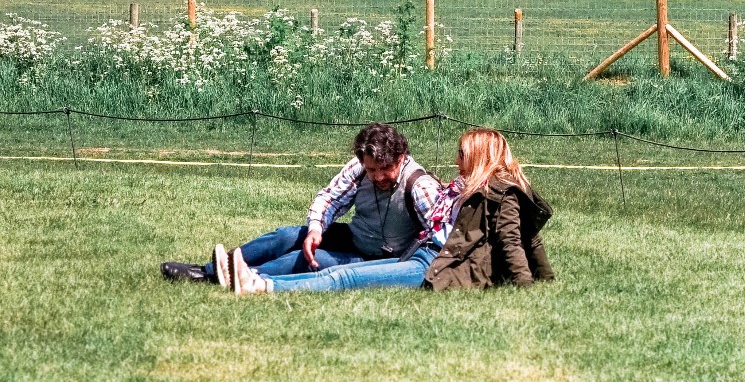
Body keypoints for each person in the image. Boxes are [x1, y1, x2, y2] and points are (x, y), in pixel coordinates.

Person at [158, 123, 444, 289]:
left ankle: (241, 277)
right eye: (371, 170)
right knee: (288, 235)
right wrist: (316, 230)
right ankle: (208, 269)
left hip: (378, 258)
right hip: (356, 237)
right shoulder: (359, 168)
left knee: (304, 259)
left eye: (385, 169)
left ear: (402, 157)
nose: (378, 176)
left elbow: (441, 235)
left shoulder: (420, 186)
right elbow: (329, 198)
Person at [423, 128, 554, 291]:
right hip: (442, 257)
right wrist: (546, 277)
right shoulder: (478, 186)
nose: (456, 161)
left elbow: (512, 239)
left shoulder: (501, 192)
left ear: (479, 156)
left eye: (462, 154)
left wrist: (525, 284)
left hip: (456, 268)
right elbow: (531, 236)